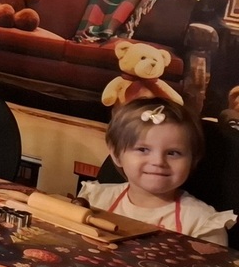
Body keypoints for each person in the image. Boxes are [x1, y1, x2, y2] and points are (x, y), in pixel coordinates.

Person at [79, 98, 235, 244]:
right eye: (143, 149)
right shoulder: (94, 200)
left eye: (173, 153)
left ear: (193, 160)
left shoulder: (202, 224)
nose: (158, 162)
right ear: (116, 155)